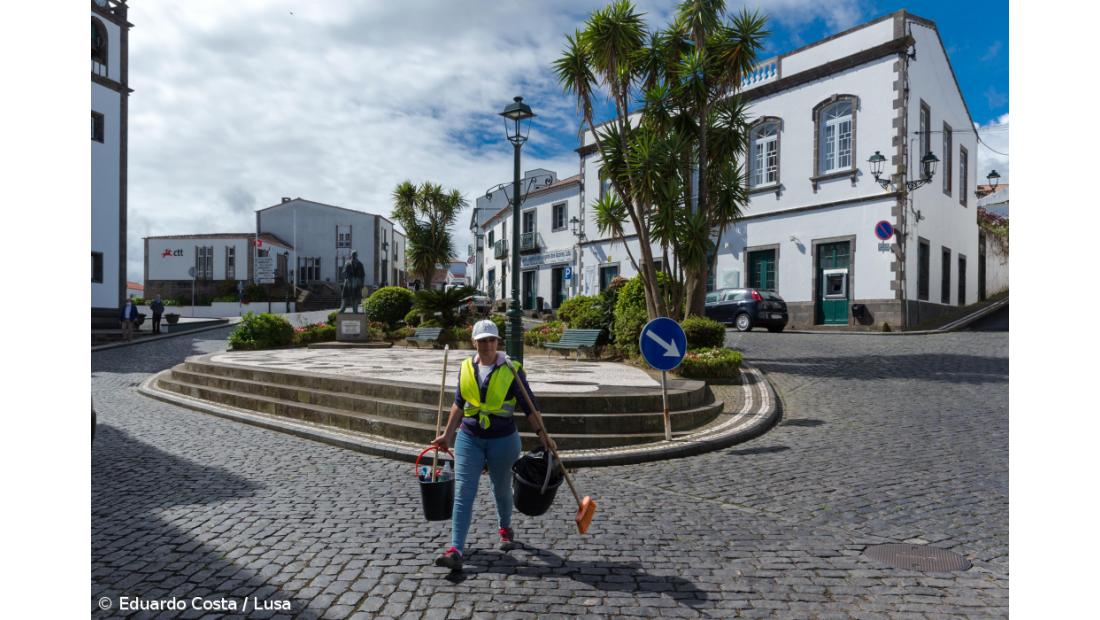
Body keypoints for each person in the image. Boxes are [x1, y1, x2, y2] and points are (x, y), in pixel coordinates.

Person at [431, 319, 552, 571]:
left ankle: (505, 528)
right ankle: (456, 550)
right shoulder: (466, 367)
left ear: (497, 342)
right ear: (473, 342)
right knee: (464, 492)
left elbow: (530, 406)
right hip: (469, 438)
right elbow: (459, 403)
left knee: (502, 489)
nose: (487, 345)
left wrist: (543, 435)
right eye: (482, 340)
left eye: (491, 340)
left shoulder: (512, 369)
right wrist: (447, 435)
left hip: (503, 440)